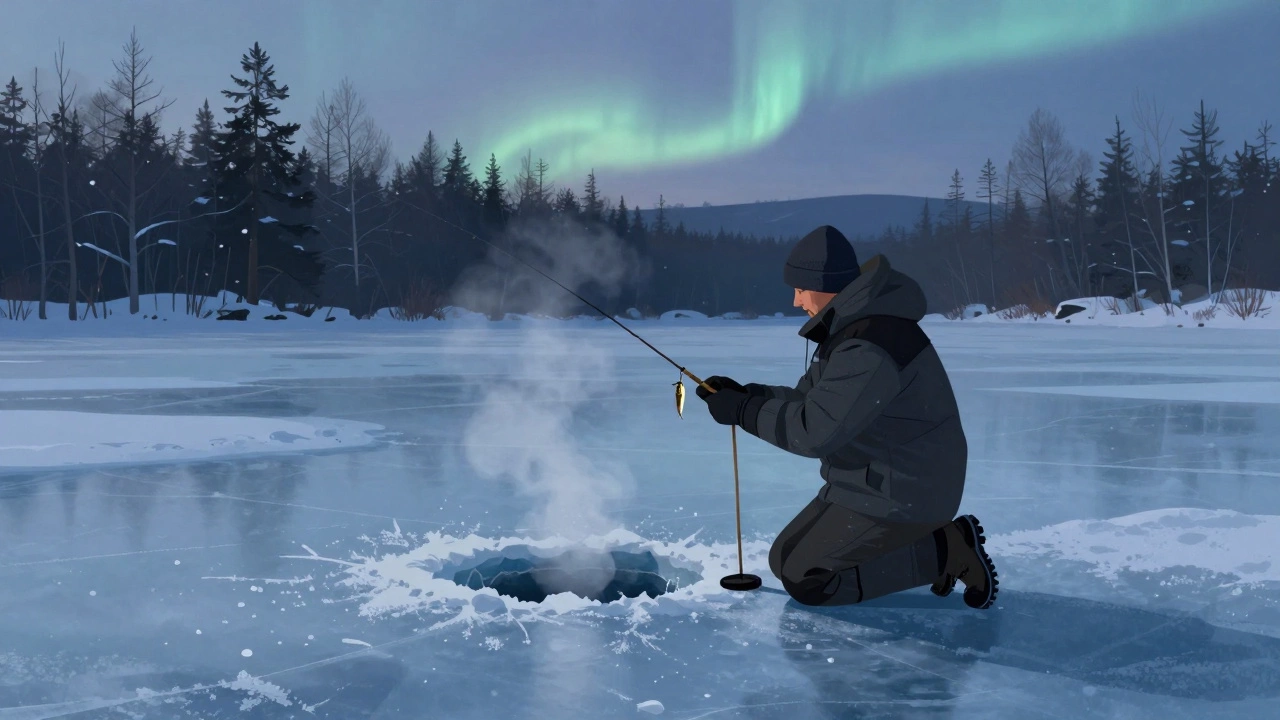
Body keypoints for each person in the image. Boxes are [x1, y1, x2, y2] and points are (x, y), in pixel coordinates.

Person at [695, 225, 998, 609]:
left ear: (826, 286)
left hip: (906, 490)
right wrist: (747, 395)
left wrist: (742, 411)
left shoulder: (870, 344)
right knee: (783, 557)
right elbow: (810, 401)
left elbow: (814, 431)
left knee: (808, 580)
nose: (795, 301)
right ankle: (929, 548)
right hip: (868, 482)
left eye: (801, 289)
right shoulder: (851, 330)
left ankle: (944, 551)